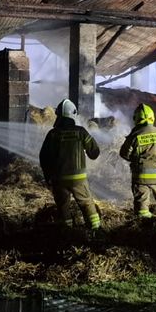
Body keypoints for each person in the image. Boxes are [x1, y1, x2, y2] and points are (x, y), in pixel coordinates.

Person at [39, 98, 102, 232]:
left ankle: (67, 233)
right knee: (86, 203)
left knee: (63, 207)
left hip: (58, 180)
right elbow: (95, 152)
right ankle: (95, 231)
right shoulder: (81, 132)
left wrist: (48, 177)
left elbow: (43, 158)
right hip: (78, 179)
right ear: (73, 114)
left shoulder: (53, 134)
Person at [119, 103, 156, 220]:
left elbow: (124, 154)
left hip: (140, 177)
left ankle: (144, 226)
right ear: (152, 117)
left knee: (141, 205)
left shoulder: (135, 135)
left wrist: (136, 159)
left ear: (136, 118)